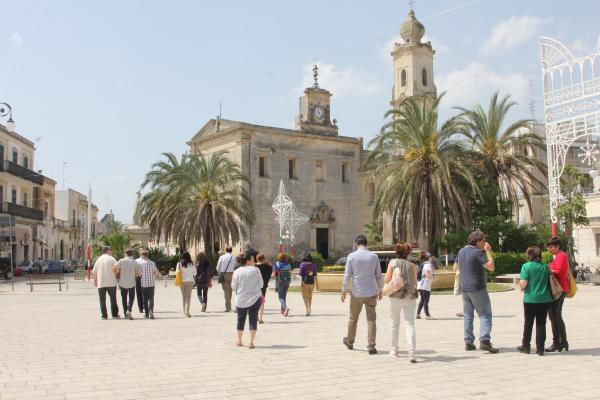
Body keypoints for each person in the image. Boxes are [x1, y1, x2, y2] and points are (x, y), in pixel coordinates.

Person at [455, 230, 498, 353]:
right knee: (485, 314)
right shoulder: (477, 252)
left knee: (468, 315)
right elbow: (491, 267)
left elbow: (455, 268)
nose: (485, 243)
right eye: (483, 240)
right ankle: (485, 341)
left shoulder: (461, 251)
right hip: (477, 288)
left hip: (465, 288)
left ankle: (468, 342)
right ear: (478, 241)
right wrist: (488, 252)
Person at [341, 235, 383, 355]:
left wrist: (344, 290)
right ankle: (371, 346)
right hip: (371, 292)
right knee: (371, 320)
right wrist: (380, 289)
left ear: (356, 244)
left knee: (353, 318)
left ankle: (349, 341)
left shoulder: (352, 256)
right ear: (366, 244)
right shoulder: (374, 257)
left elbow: (347, 275)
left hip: (357, 292)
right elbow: (378, 275)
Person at [384, 243, 418, 362]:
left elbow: (387, 279)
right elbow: (415, 282)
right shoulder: (413, 266)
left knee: (394, 323)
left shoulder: (392, 263)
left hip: (395, 296)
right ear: (408, 253)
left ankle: (394, 350)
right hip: (409, 296)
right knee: (409, 324)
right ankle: (412, 353)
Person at [518, 245, 553, 356]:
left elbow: (523, 283)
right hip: (545, 299)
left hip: (530, 299)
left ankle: (526, 346)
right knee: (541, 323)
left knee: (528, 323)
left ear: (529, 255)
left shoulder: (526, 266)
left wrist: (521, 286)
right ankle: (540, 348)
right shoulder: (546, 267)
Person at [231, 251, 264, 349]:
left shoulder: (236, 272)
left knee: (240, 320)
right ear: (248, 261)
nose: (254, 261)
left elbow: (233, 287)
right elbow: (261, 284)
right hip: (255, 298)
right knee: (253, 319)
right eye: (253, 259)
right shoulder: (256, 270)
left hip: (241, 299)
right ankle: (251, 342)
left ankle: (239, 340)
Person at [546, 237, 570, 352]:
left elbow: (558, 272)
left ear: (557, 246)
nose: (549, 249)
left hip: (559, 289)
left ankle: (558, 342)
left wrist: (548, 268)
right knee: (556, 316)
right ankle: (562, 341)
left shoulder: (561, 256)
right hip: (561, 288)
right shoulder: (560, 256)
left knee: (554, 316)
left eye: (551, 247)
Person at [92, 246, 119, 320]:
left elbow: (94, 271)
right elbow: (117, 269)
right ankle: (114, 314)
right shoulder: (112, 259)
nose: (111, 251)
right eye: (111, 250)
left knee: (102, 300)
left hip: (101, 283)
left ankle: (104, 315)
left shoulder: (99, 259)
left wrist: (95, 281)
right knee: (113, 299)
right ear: (107, 251)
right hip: (111, 282)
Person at [114, 248, 140, 320]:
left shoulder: (121, 261)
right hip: (131, 282)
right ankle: (129, 309)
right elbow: (137, 273)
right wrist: (134, 275)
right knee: (131, 297)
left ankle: (125, 313)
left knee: (124, 298)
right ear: (132, 254)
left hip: (122, 282)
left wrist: (118, 272)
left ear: (125, 253)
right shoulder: (134, 262)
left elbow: (114, 268)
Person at [137, 250, 160, 319]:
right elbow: (156, 273)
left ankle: (146, 314)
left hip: (144, 284)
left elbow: (139, 274)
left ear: (142, 255)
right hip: (151, 283)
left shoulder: (141, 264)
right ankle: (151, 311)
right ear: (148, 255)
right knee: (151, 298)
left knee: (144, 298)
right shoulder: (152, 263)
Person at [176, 252, 196, 317]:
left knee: (183, 296)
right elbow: (195, 273)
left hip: (182, 281)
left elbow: (176, 272)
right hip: (190, 281)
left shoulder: (179, 263)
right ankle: (187, 311)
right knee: (188, 297)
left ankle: (184, 311)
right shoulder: (192, 264)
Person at [216, 246, 236, 312]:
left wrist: (220, 272)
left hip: (224, 274)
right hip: (232, 274)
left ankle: (228, 306)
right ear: (231, 250)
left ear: (226, 250)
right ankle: (229, 304)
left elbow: (218, 267)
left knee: (226, 290)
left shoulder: (222, 257)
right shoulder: (234, 257)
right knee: (230, 290)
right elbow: (235, 266)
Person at [416, 252, 435, 320]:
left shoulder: (424, 263)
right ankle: (427, 315)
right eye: (431, 257)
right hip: (425, 285)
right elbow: (427, 273)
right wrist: (433, 278)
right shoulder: (428, 264)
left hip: (422, 285)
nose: (432, 258)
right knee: (426, 300)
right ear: (429, 257)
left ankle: (418, 314)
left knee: (422, 300)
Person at [256, 253, 272, 324]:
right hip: (263, 286)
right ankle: (261, 318)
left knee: (254, 302)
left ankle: (255, 316)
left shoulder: (254, 267)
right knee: (261, 302)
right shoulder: (268, 267)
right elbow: (270, 273)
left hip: (254, 287)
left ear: (257, 258)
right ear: (264, 258)